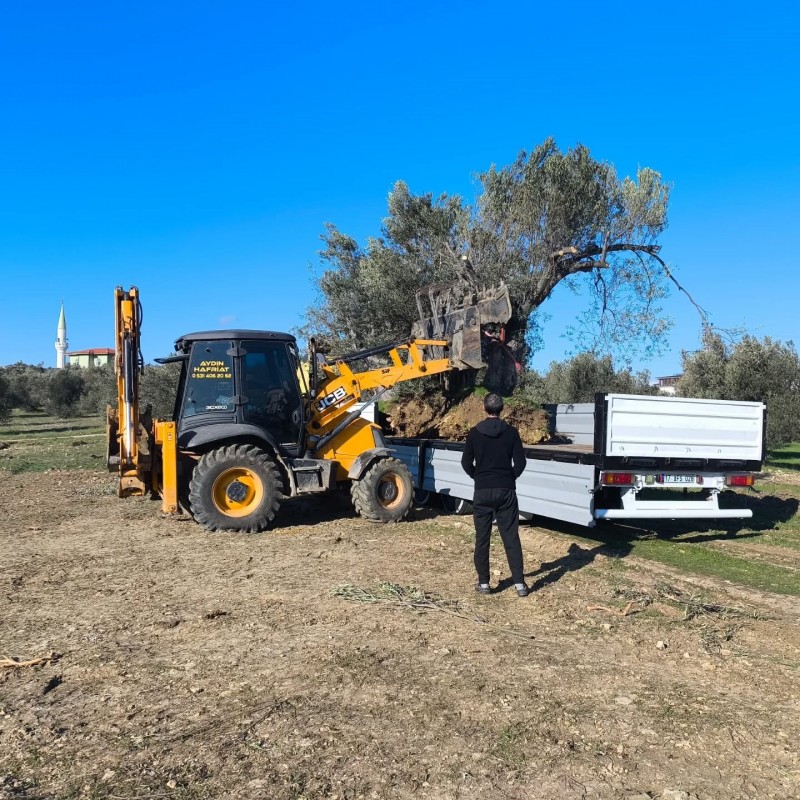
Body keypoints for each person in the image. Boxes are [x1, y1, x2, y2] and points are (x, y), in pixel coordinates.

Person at [460, 393, 529, 597]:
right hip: (506, 491)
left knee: (482, 538)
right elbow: (521, 463)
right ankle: (520, 585)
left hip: (482, 491)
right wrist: (509, 478)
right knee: (511, 537)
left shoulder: (474, 433)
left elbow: (465, 463)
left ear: (484, 408)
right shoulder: (511, 432)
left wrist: (478, 477)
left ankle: (484, 584)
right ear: (502, 409)